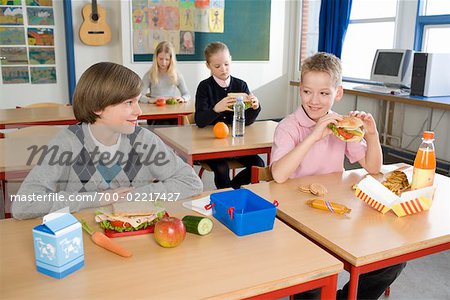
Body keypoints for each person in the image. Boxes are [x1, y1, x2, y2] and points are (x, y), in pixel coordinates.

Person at [270, 52, 405, 299]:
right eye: (308, 91)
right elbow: (278, 175)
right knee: (312, 284)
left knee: (394, 259)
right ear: (300, 90)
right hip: (297, 221)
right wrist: (313, 136)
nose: (314, 100)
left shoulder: (342, 125)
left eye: (324, 93)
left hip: (336, 213)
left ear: (338, 93)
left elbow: (373, 168)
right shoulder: (288, 127)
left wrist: (372, 135)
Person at [12, 62, 203, 220]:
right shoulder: (67, 143)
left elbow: (191, 182)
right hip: (82, 239)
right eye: (129, 103)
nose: (139, 111)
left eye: (137, 101)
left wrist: (132, 196)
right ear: (97, 107)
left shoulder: (143, 139)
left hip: (133, 235)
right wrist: (99, 198)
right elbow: (23, 205)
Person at [195, 41, 264, 189]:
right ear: (208, 65)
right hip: (211, 146)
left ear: (231, 60)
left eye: (226, 64)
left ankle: (233, 188)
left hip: (237, 144)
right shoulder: (204, 87)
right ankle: (227, 197)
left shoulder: (241, 85)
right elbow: (199, 121)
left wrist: (254, 107)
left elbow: (247, 121)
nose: (223, 69)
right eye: (217, 66)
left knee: (259, 164)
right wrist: (216, 109)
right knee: (221, 168)